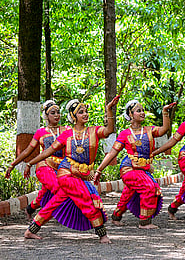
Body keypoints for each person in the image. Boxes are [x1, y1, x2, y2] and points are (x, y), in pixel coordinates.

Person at [23, 96, 120, 243]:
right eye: (81, 112)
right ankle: (102, 235)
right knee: (87, 200)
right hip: (67, 174)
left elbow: (109, 130)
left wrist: (109, 110)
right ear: (74, 116)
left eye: (86, 111)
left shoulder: (94, 131)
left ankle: (31, 230)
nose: (85, 114)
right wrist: (30, 163)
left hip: (82, 175)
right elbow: (46, 152)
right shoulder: (66, 135)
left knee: (57, 201)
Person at [94, 100, 176, 229]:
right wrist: (99, 171)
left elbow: (164, 129)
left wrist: (165, 112)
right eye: (139, 111)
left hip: (144, 169)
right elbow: (112, 153)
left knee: (129, 192)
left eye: (143, 110)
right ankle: (144, 222)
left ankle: (116, 216)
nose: (142, 113)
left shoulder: (149, 130)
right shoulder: (125, 134)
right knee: (149, 187)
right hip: (129, 169)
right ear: (131, 115)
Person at [6, 100, 70, 219]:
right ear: (46, 116)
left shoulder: (66, 130)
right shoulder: (41, 132)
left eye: (58, 112)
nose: (56, 115)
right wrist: (12, 165)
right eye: (52, 113)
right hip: (45, 166)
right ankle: (47, 217)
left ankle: (30, 209)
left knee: (44, 193)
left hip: (62, 166)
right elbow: (27, 151)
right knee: (57, 188)